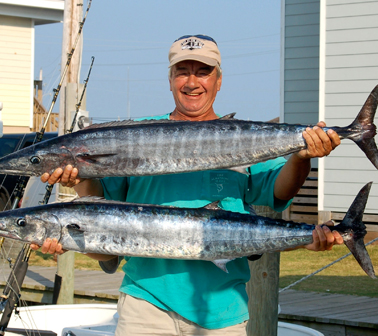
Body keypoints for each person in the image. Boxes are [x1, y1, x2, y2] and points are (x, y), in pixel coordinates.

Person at [32, 34, 343, 336]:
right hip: (145, 307)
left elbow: (280, 191)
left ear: (219, 80)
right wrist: (79, 184)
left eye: (203, 72)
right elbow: (101, 218)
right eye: (182, 72)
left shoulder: (247, 139)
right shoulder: (132, 138)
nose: (192, 82)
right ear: (170, 79)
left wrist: (303, 155)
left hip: (224, 310)